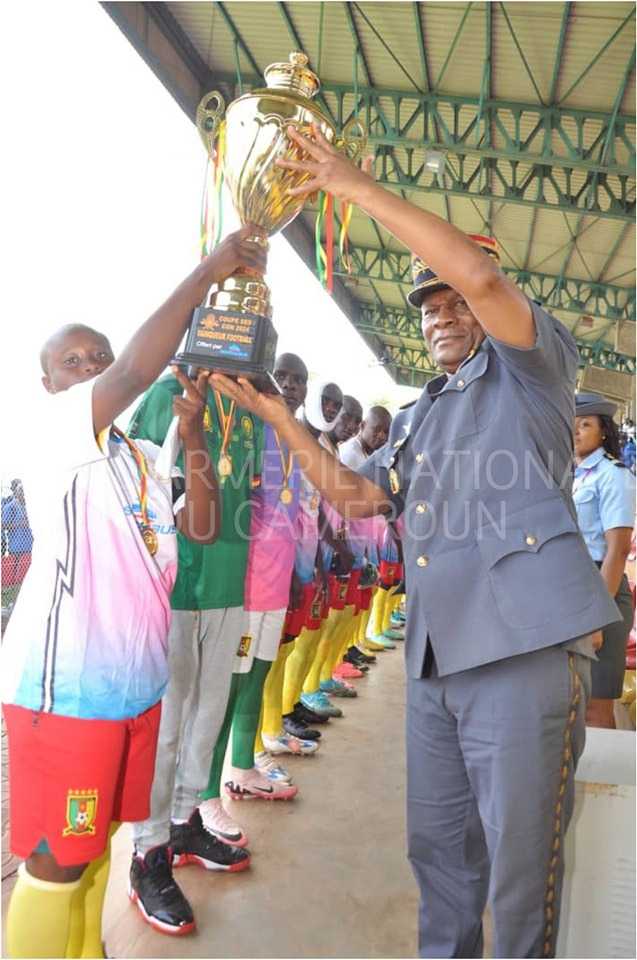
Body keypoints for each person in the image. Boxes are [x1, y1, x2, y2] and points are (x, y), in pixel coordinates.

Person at [208, 124, 621, 959]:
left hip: (523, 650)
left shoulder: (534, 374)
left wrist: (350, 184)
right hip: (437, 659)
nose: (441, 313)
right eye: (428, 306)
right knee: (439, 859)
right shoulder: (422, 415)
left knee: (518, 874)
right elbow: (358, 495)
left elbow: (480, 272)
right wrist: (279, 418)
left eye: (452, 302)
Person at [0, 225, 266, 960]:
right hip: (67, 696)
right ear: (49, 383)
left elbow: (203, 527)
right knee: (56, 861)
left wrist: (195, 434)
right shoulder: (53, 434)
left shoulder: (142, 456)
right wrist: (210, 268)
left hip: (135, 688)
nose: (88, 368)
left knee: (96, 849)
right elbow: (129, 379)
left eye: (99, 357)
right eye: (70, 361)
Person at [125, 342, 269, 929]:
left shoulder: (252, 410)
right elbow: (140, 494)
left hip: (229, 581)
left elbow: (247, 493)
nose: (246, 344)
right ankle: (147, 850)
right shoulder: (163, 396)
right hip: (176, 583)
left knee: (209, 712)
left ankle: (185, 824)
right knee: (168, 722)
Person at [197, 353, 309, 808]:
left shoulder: (296, 440)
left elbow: (297, 515)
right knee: (231, 686)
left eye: (298, 380)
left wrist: (301, 573)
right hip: (246, 589)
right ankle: (206, 795)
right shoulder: (247, 430)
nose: (289, 384)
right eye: (281, 375)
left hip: (278, 586)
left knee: (257, 677)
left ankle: (244, 768)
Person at [573, 392, 636, 729]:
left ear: (603, 431)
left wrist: (596, 616)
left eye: (585, 424)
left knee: (595, 706)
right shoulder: (574, 475)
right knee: (571, 698)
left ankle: (603, 785)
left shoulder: (614, 475)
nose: (576, 432)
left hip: (602, 590)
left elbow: (619, 549)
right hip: (571, 589)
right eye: (571, 425)